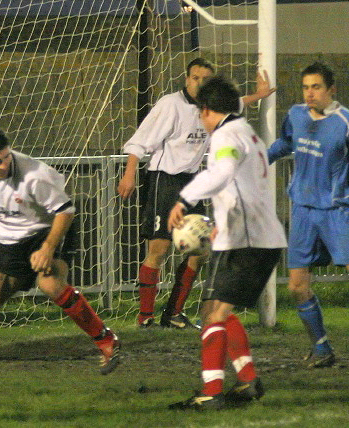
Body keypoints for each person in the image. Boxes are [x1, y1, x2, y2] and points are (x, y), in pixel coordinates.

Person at [0, 125, 122, 399]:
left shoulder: (34, 176)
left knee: (50, 284)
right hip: (10, 242)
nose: (3, 164)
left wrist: (47, 247)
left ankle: (106, 340)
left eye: (6, 157)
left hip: (48, 230)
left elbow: (65, 211)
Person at [118, 58, 275, 328]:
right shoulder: (170, 105)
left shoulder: (212, 107)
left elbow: (237, 104)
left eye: (205, 79)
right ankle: (145, 317)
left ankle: (173, 313)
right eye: (195, 77)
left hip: (191, 183)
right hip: (164, 180)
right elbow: (139, 141)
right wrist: (129, 174)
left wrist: (259, 96)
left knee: (199, 251)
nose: (199, 83)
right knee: (160, 248)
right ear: (186, 78)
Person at [166, 75, 286, 410]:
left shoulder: (225, 136)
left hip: (245, 241)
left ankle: (211, 392)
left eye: (199, 114)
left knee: (212, 312)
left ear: (206, 110)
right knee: (220, 309)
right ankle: (247, 382)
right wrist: (221, 223)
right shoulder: (247, 132)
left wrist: (184, 200)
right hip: (257, 236)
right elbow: (240, 188)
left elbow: (222, 172)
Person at [267, 62, 349, 369]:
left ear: (331, 90)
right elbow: (286, 143)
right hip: (302, 209)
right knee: (297, 285)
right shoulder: (296, 115)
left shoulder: (345, 122)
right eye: (305, 87)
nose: (310, 93)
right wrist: (260, 160)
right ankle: (322, 348)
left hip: (336, 211)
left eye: (316, 87)